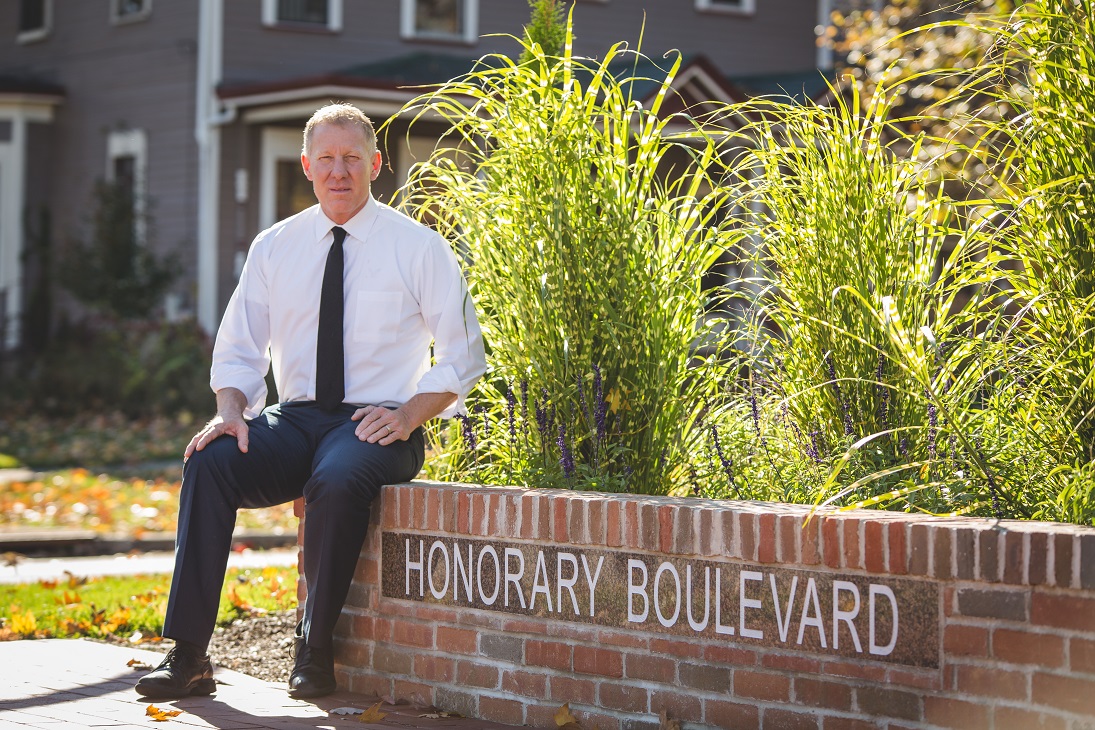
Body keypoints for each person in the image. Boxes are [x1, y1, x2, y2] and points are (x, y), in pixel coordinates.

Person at [135, 103, 485, 700]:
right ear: (306, 166)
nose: (339, 171)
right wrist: (229, 411)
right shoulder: (276, 247)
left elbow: (462, 355)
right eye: (326, 158)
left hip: (379, 423)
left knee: (339, 475)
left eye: (352, 157)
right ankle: (189, 653)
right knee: (210, 461)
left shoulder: (418, 248)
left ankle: (314, 648)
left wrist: (407, 416)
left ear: (376, 165)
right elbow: (239, 348)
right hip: (294, 420)